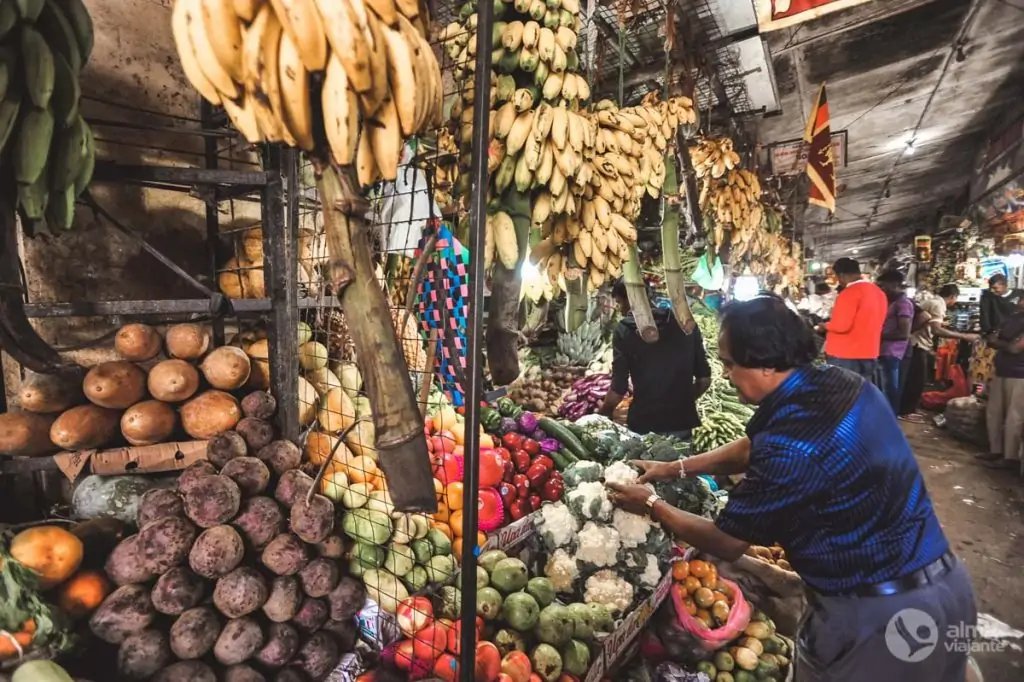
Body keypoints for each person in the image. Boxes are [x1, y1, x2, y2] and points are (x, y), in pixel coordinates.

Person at [605, 296, 975, 681]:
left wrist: (650, 504)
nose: (727, 375)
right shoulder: (841, 384)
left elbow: (729, 541)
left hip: (880, 621)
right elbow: (750, 448)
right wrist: (673, 468)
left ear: (765, 362)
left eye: (731, 364)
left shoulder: (789, 447)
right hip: (945, 584)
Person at [598, 278, 711, 438]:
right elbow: (704, 380)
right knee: (680, 461)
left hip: (644, 424)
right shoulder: (685, 323)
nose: (622, 311)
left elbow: (618, 389)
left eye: (620, 303)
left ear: (630, 300)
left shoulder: (625, 330)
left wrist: (602, 414)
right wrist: (680, 402)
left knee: (644, 462)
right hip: (681, 422)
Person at [900, 285, 978, 421]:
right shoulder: (938, 305)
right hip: (917, 344)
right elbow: (936, 330)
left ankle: (908, 409)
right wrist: (964, 336)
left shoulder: (932, 302)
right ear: (953, 297)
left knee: (915, 379)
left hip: (916, 343)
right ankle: (905, 411)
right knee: (916, 380)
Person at [814, 258, 888, 380]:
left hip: (845, 354)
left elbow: (841, 326)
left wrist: (825, 325)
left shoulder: (849, 293)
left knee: (844, 394)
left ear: (841, 275)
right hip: (870, 352)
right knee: (863, 392)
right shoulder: (879, 293)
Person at [979, 296, 1024, 471]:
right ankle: (995, 450)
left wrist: (999, 342)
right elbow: (993, 338)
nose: (1020, 301)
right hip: (1002, 370)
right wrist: (1003, 342)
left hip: (1020, 375)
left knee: (1015, 417)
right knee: (994, 413)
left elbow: (1016, 347)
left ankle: (1010, 457)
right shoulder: (1012, 318)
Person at [876, 271, 915, 412]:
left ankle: (891, 417)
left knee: (890, 388)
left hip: (892, 352)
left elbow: (904, 333)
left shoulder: (904, 304)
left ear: (896, 285)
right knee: (885, 387)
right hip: (886, 351)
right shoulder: (894, 303)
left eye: (885, 286)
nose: (883, 289)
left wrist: (878, 335)